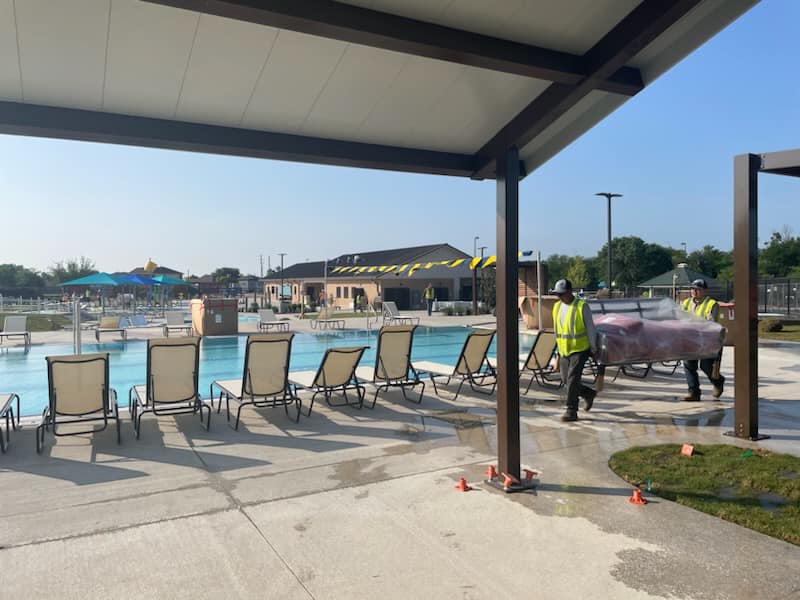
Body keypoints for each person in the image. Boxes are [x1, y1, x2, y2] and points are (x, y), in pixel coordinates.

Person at [551, 279, 597, 422]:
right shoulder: (557, 307)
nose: (559, 297)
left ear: (570, 292)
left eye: (561, 294)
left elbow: (591, 329)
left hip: (580, 349)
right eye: (557, 295)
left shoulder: (582, 306)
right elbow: (557, 332)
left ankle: (571, 411)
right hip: (564, 350)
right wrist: (557, 354)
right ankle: (588, 393)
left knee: (572, 379)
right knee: (566, 380)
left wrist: (594, 349)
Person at [681, 278, 725, 401]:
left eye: (698, 289)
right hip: (690, 339)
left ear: (705, 291)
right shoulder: (686, 303)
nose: (694, 291)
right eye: (693, 289)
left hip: (708, 340)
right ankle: (694, 392)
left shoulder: (712, 304)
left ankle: (718, 382)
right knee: (689, 365)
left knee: (706, 366)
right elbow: (679, 317)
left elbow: (710, 323)